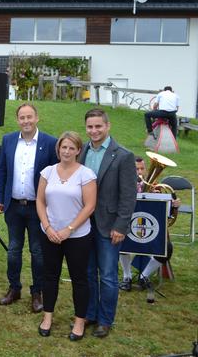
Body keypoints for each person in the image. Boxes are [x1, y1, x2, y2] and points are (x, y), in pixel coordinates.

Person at [0, 103, 58, 313]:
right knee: (13, 250)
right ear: (17, 120)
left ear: (37, 118)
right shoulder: (9, 140)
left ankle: (37, 292)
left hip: (37, 208)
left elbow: (55, 175)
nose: (26, 121)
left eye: (29, 117)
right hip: (13, 205)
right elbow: (2, 171)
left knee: (37, 252)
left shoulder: (49, 143)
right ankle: (14, 288)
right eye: (22, 117)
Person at [81, 108, 137, 338]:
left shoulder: (123, 155)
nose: (94, 131)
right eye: (90, 127)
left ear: (108, 126)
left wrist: (121, 226)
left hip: (109, 226)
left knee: (108, 275)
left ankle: (105, 320)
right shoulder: (82, 150)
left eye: (98, 126)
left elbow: (128, 195)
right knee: (87, 273)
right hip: (85, 224)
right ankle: (91, 314)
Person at [36, 131, 97, 341]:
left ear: (78, 150)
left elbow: (89, 206)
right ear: (58, 149)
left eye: (72, 148)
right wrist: (47, 227)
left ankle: (80, 321)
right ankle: (47, 317)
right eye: (64, 147)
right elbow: (40, 201)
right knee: (50, 276)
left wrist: (68, 229)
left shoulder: (86, 174)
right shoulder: (48, 172)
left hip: (78, 236)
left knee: (79, 278)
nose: (67, 151)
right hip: (50, 234)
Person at [118, 156, 179, 293]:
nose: (140, 172)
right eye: (136, 169)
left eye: (142, 168)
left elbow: (166, 216)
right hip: (129, 226)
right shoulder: (123, 184)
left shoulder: (155, 186)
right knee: (121, 240)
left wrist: (174, 206)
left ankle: (144, 276)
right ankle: (126, 276)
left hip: (149, 229)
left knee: (167, 248)